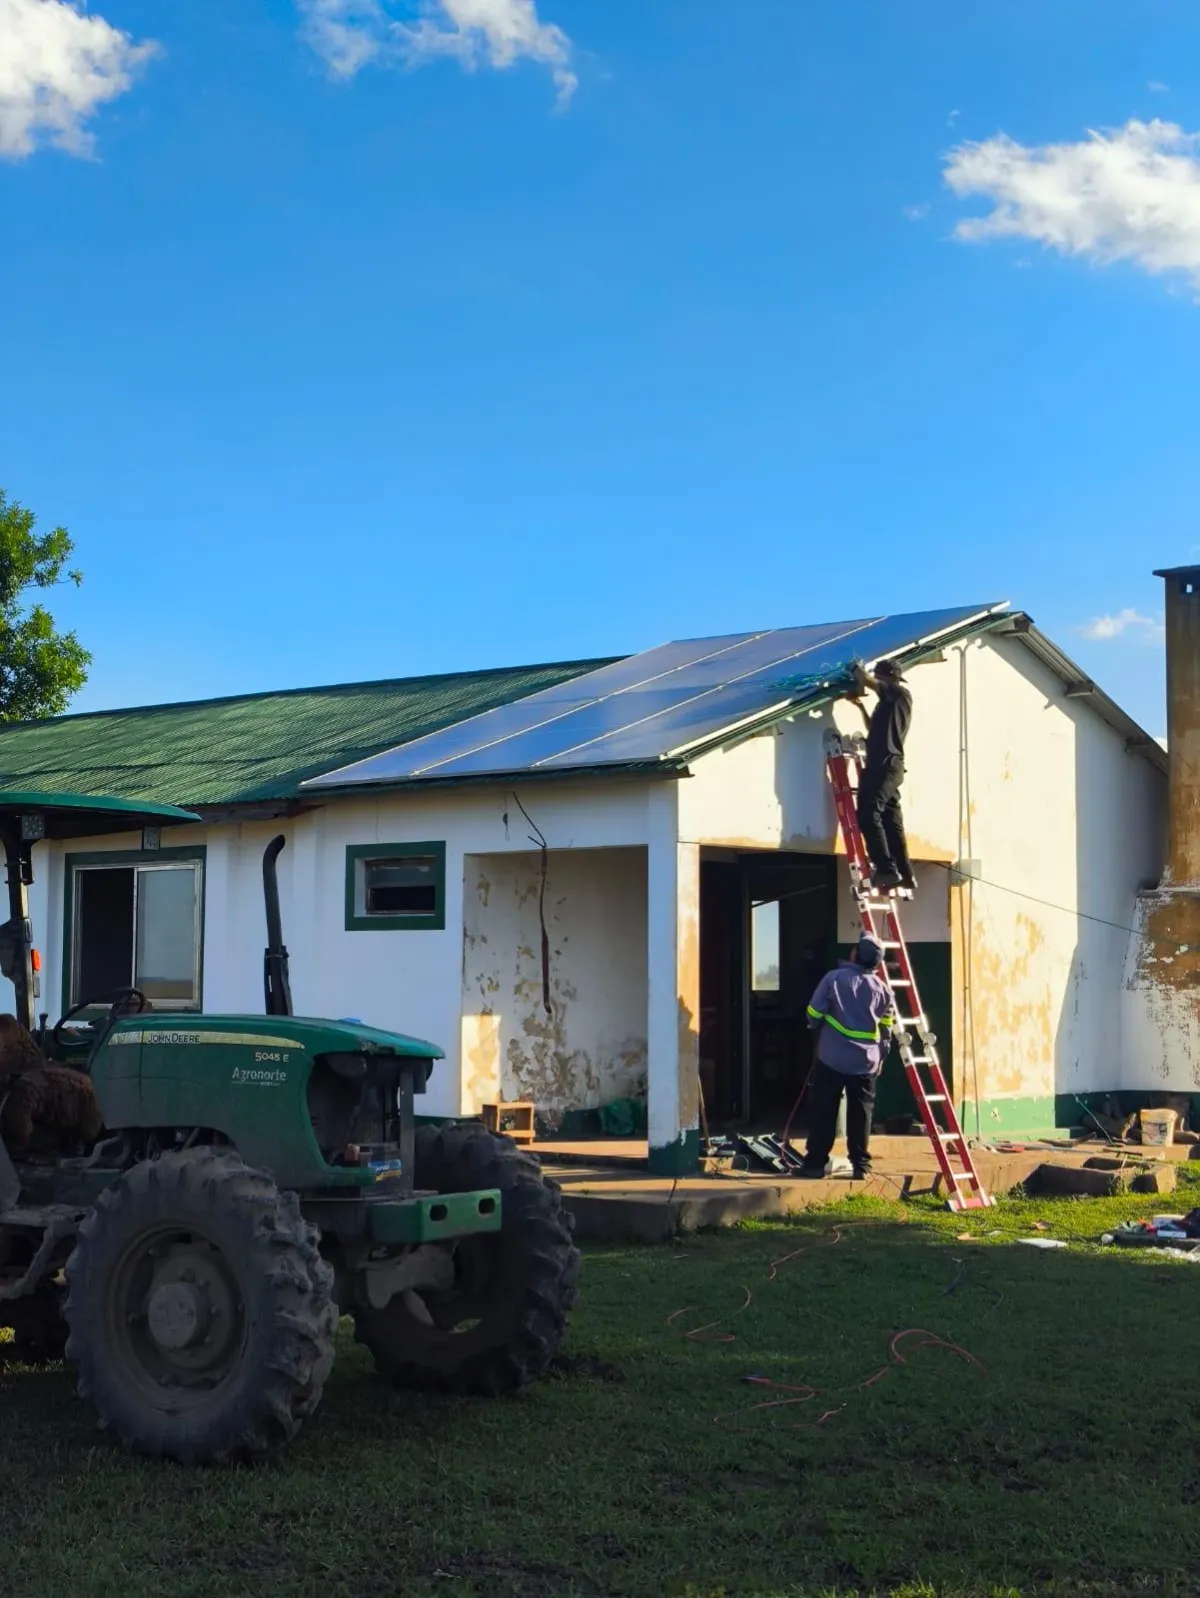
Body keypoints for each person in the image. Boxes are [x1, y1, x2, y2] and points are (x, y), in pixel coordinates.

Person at [799, 932, 896, 1179]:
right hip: (866, 1063)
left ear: (855, 953)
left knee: (824, 1111)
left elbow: (813, 1013)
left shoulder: (834, 979)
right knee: (861, 1114)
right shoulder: (884, 990)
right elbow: (887, 1029)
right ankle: (861, 1167)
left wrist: (817, 1025)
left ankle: (814, 1165)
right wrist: (881, 1058)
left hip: (832, 1058)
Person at [847, 657, 915, 893]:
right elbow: (872, 728)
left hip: (884, 765)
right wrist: (859, 707)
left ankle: (886, 868)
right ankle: (904, 874)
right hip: (889, 766)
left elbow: (867, 680)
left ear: (886, 677)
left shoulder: (898, 693)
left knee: (868, 813)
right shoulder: (888, 704)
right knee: (890, 820)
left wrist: (855, 668)